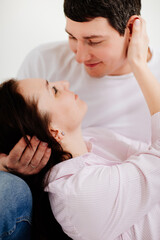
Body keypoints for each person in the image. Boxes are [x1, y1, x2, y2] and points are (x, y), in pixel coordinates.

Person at [1, 0, 160, 238]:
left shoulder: (98, 140)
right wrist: (4, 163)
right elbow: (13, 120)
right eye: (72, 37)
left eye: (94, 41)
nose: (79, 56)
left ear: (131, 30)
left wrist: (139, 67)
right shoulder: (44, 59)